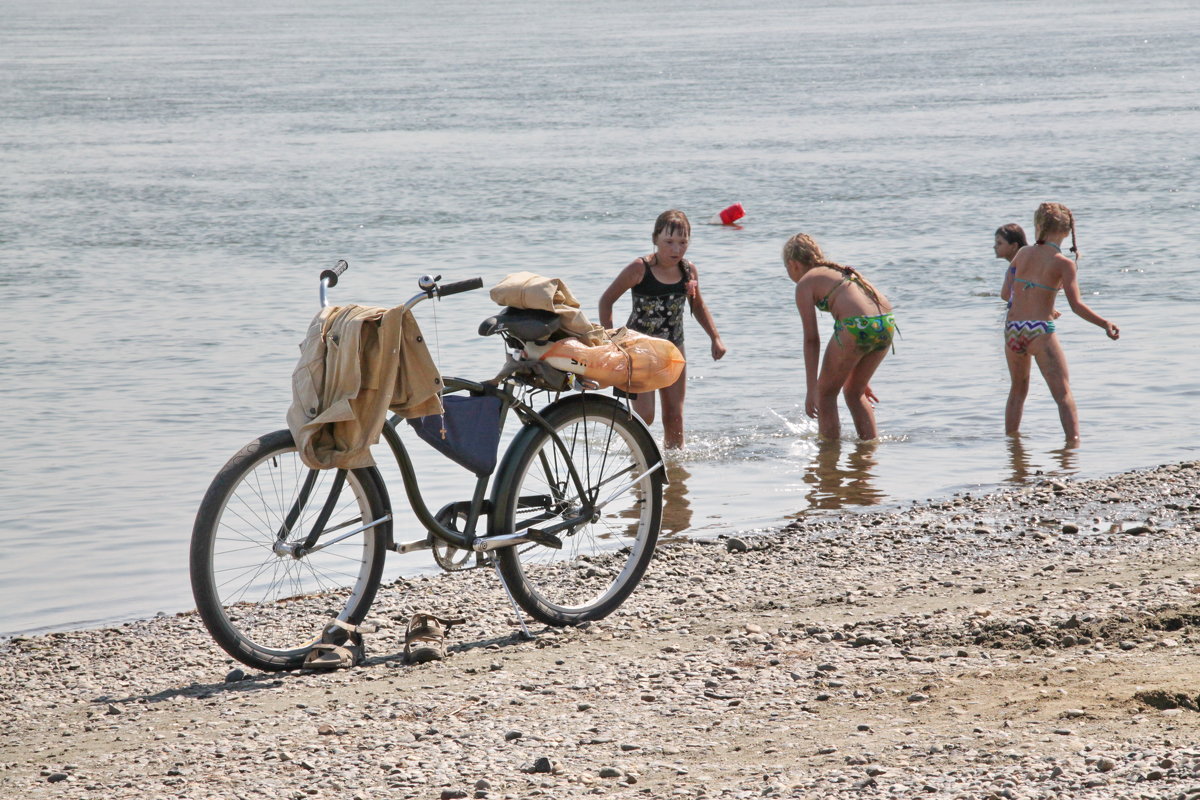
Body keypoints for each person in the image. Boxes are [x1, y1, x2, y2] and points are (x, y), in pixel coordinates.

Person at [599, 209, 726, 449]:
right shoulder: (640, 269)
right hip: (639, 351)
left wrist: (715, 338)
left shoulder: (688, 271)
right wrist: (611, 342)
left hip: (673, 349)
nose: (676, 250)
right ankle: (638, 466)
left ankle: (676, 476)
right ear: (655, 239)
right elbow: (606, 301)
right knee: (644, 416)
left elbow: (697, 305)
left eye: (683, 242)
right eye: (669, 242)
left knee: (674, 417)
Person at [1003, 202, 1119, 443]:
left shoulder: (1022, 253)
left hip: (1013, 330)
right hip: (1039, 331)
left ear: (1039, 226)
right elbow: (1076, 306)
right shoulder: (1064, 263)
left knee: (1017, 391)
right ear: (1066, 232)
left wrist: (1039, 302)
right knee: (1063, 394)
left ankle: (1012, 447)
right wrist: (1105, 323)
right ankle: (1072, 449)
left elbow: (1007, 294)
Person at [783, 233, 895, 441]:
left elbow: (811, 339)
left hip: (856, 327)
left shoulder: (805, 283)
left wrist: (812, 389)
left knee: (826, 394)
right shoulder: (840, 271)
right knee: (854, 391)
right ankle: (868, 453)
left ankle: (828, 459)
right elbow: (866, 314)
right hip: (885, 323)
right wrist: (859, 372)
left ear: (793, 264)